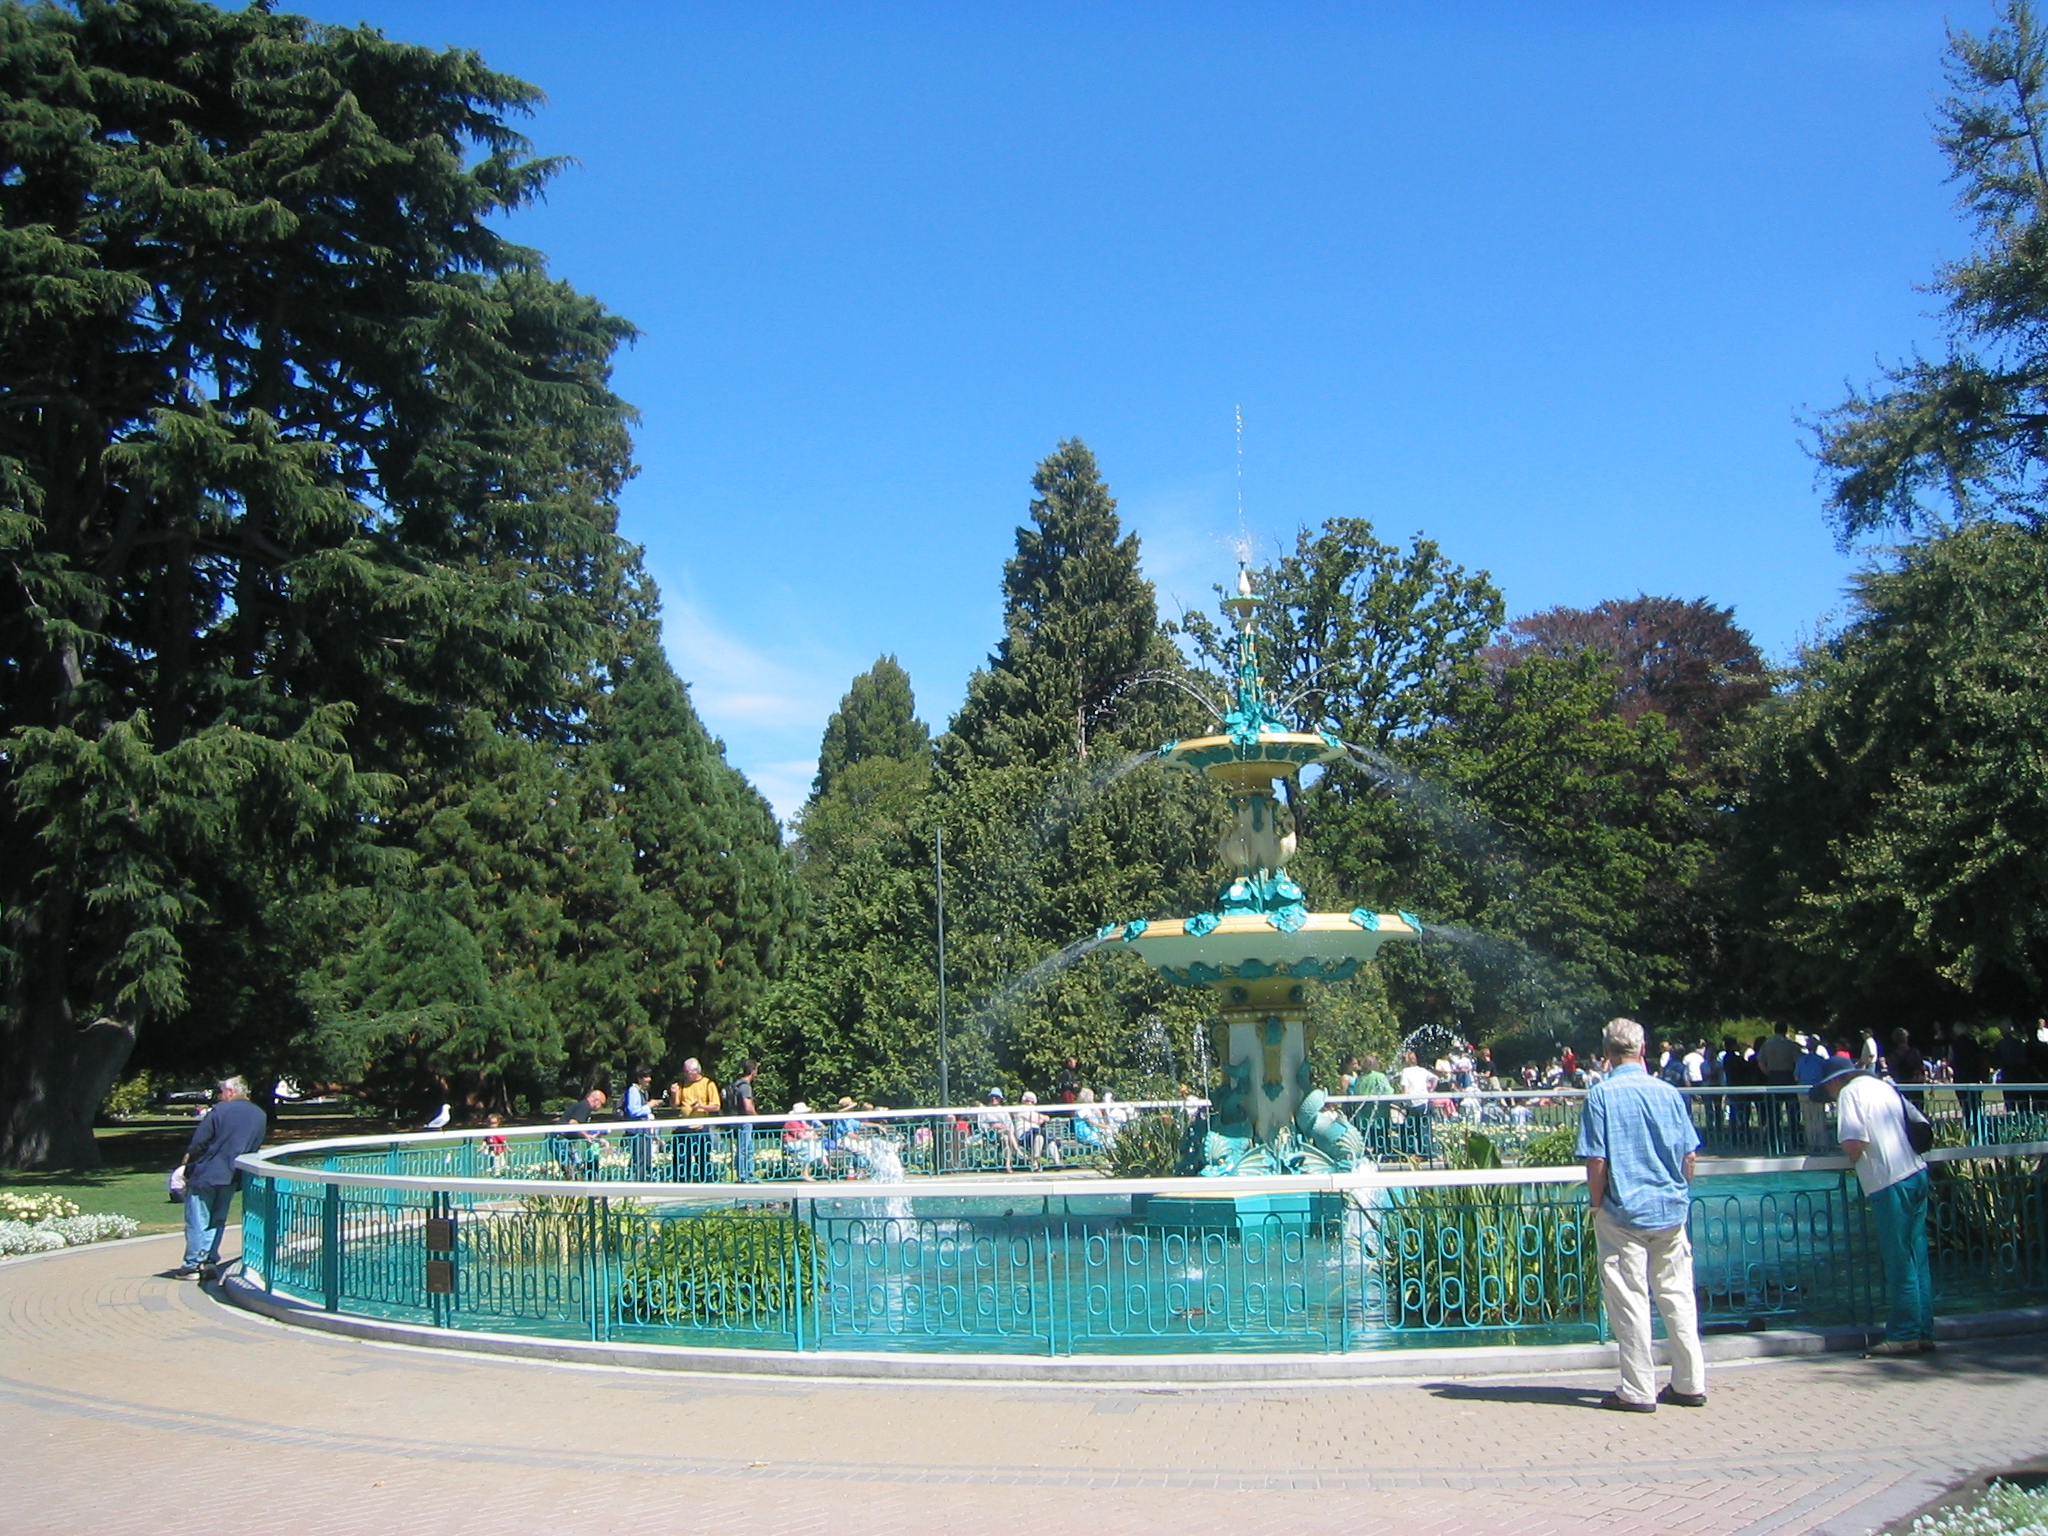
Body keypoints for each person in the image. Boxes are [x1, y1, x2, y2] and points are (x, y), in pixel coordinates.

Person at [1576, 1017, 1706, 1413]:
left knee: (1630, 1301)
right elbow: (1690, 1155)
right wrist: (1678, 1190)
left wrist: (1596, 1204)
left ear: (1607, 1055)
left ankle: (1637, 1389)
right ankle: (1689, 1383)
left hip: (1623, 1211)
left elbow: (1597, 1160)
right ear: (1643, 1050)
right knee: (1678, 1296)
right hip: (1670, 1210)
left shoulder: (1600, 1097)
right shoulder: (1668, 1093)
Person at [1812, 1059, 1932, 1355]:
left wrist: (1845, 1154)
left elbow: (1854, 1143)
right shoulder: (1885, 1087)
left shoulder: (1850, 1095)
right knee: (1918, 1258)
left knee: (1899, 1259)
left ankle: (1903, 1333)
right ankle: (1924, 1331)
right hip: (1916, 1172)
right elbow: (1922, 1124)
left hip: (1889, 1181)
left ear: (1834, 1082)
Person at [164, 1076, 268, 1281]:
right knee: (217, 1219)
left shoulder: (220, 1111)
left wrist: (188, 1163)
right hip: (232, 1174)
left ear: (229, 1092)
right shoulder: (259, 1115)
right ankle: (209, 1259)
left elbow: (199, 1143)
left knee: (197, 1219)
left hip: (207, 1172)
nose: (221, 1096)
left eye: (222, 1092)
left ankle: (193, 1263)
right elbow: (254, 1146)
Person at [668, 1059, 720, 1180]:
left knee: (703, 1158)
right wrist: (674, 1093)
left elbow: (716, 1106)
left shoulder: (708, 1084)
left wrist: (701, 1106)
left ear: (696, 1071)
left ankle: (705, 1183)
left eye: (688, 1071)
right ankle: (682, 1184)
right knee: (681, 1159)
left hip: (700, 1128)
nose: (685, 1074)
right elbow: (674, 1105)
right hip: (684, 1128)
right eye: (684, 1071)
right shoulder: (681, 1084)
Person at [548, 1088, 607, 1176]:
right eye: (602, 1104)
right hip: (560, 1139)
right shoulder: (585, 1107)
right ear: (596, 1101)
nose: (601, 1107)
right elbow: (573, 1123)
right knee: (571, 1168)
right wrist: (586, 1136)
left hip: (561, 1139)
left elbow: (583, 1128)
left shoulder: (584, 1107)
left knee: (573, 1167)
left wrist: (598, 1138)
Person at [722, 1058, 760, 1181]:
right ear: (753, 1071)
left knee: (743, 1147)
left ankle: (745, 1174)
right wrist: (757, 1117)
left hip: (736, 1119)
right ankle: (746, 1175)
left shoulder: (736, 1084)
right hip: (745, 1121)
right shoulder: (745, 1087)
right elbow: (748, 1106)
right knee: (745, 1148)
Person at [623, 1068, 659, 1179]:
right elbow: (633, 1110)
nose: (649, 1079)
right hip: (637, 1131)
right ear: (639, 1078)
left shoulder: (643, 1091)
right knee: (639, 1157)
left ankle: (643, 1177)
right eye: (646, 1077)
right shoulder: (634, 1091)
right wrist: (649, 1106)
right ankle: (637, 1179)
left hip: (644, 1131)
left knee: (645, 1157)